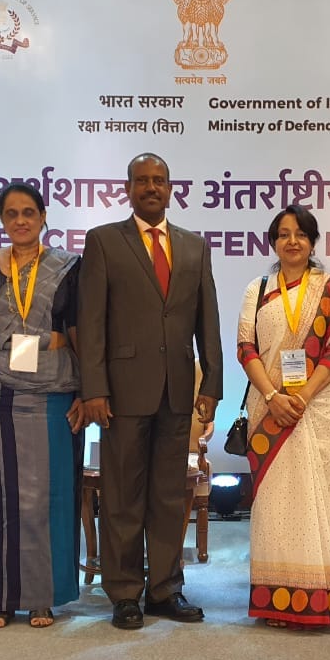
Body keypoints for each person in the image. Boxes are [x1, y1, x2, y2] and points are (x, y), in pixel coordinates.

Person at [78, 152, 222, 630]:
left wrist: (212, 383)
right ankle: (124, 592)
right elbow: (91, 322)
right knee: (122, 496)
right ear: (128, 189)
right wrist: (94, 388)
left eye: (159, 180)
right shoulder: (103, 241)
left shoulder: (194, 246)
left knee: (167, 496)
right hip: (120, 393)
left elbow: (207, 319)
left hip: (177, 391)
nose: (151, 187)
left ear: (170, 187)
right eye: (142, 180)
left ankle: (164, 589)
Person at [0, 182, 85, 629]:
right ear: (1, 220)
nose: (20, 221)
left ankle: (42, 596)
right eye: (11, 214)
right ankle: (0, 598)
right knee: (0, 494)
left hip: (53, 389)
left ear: (44, 216)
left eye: (28, 212)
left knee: (48, 494)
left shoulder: (69, 266)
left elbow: (79, 330)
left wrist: (84, 389)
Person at [237, 206, 330, 630]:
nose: (292, 241)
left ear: (312, 241)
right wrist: (273, 397)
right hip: (267, 408)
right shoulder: (258, 289)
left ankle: (317, 599)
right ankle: (276, 602)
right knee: (273, 504)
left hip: (316, 408)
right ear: (273, 243)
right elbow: (245, 348)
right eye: (284, 234)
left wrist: (300, 397)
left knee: (318, 498)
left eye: (301, 234)